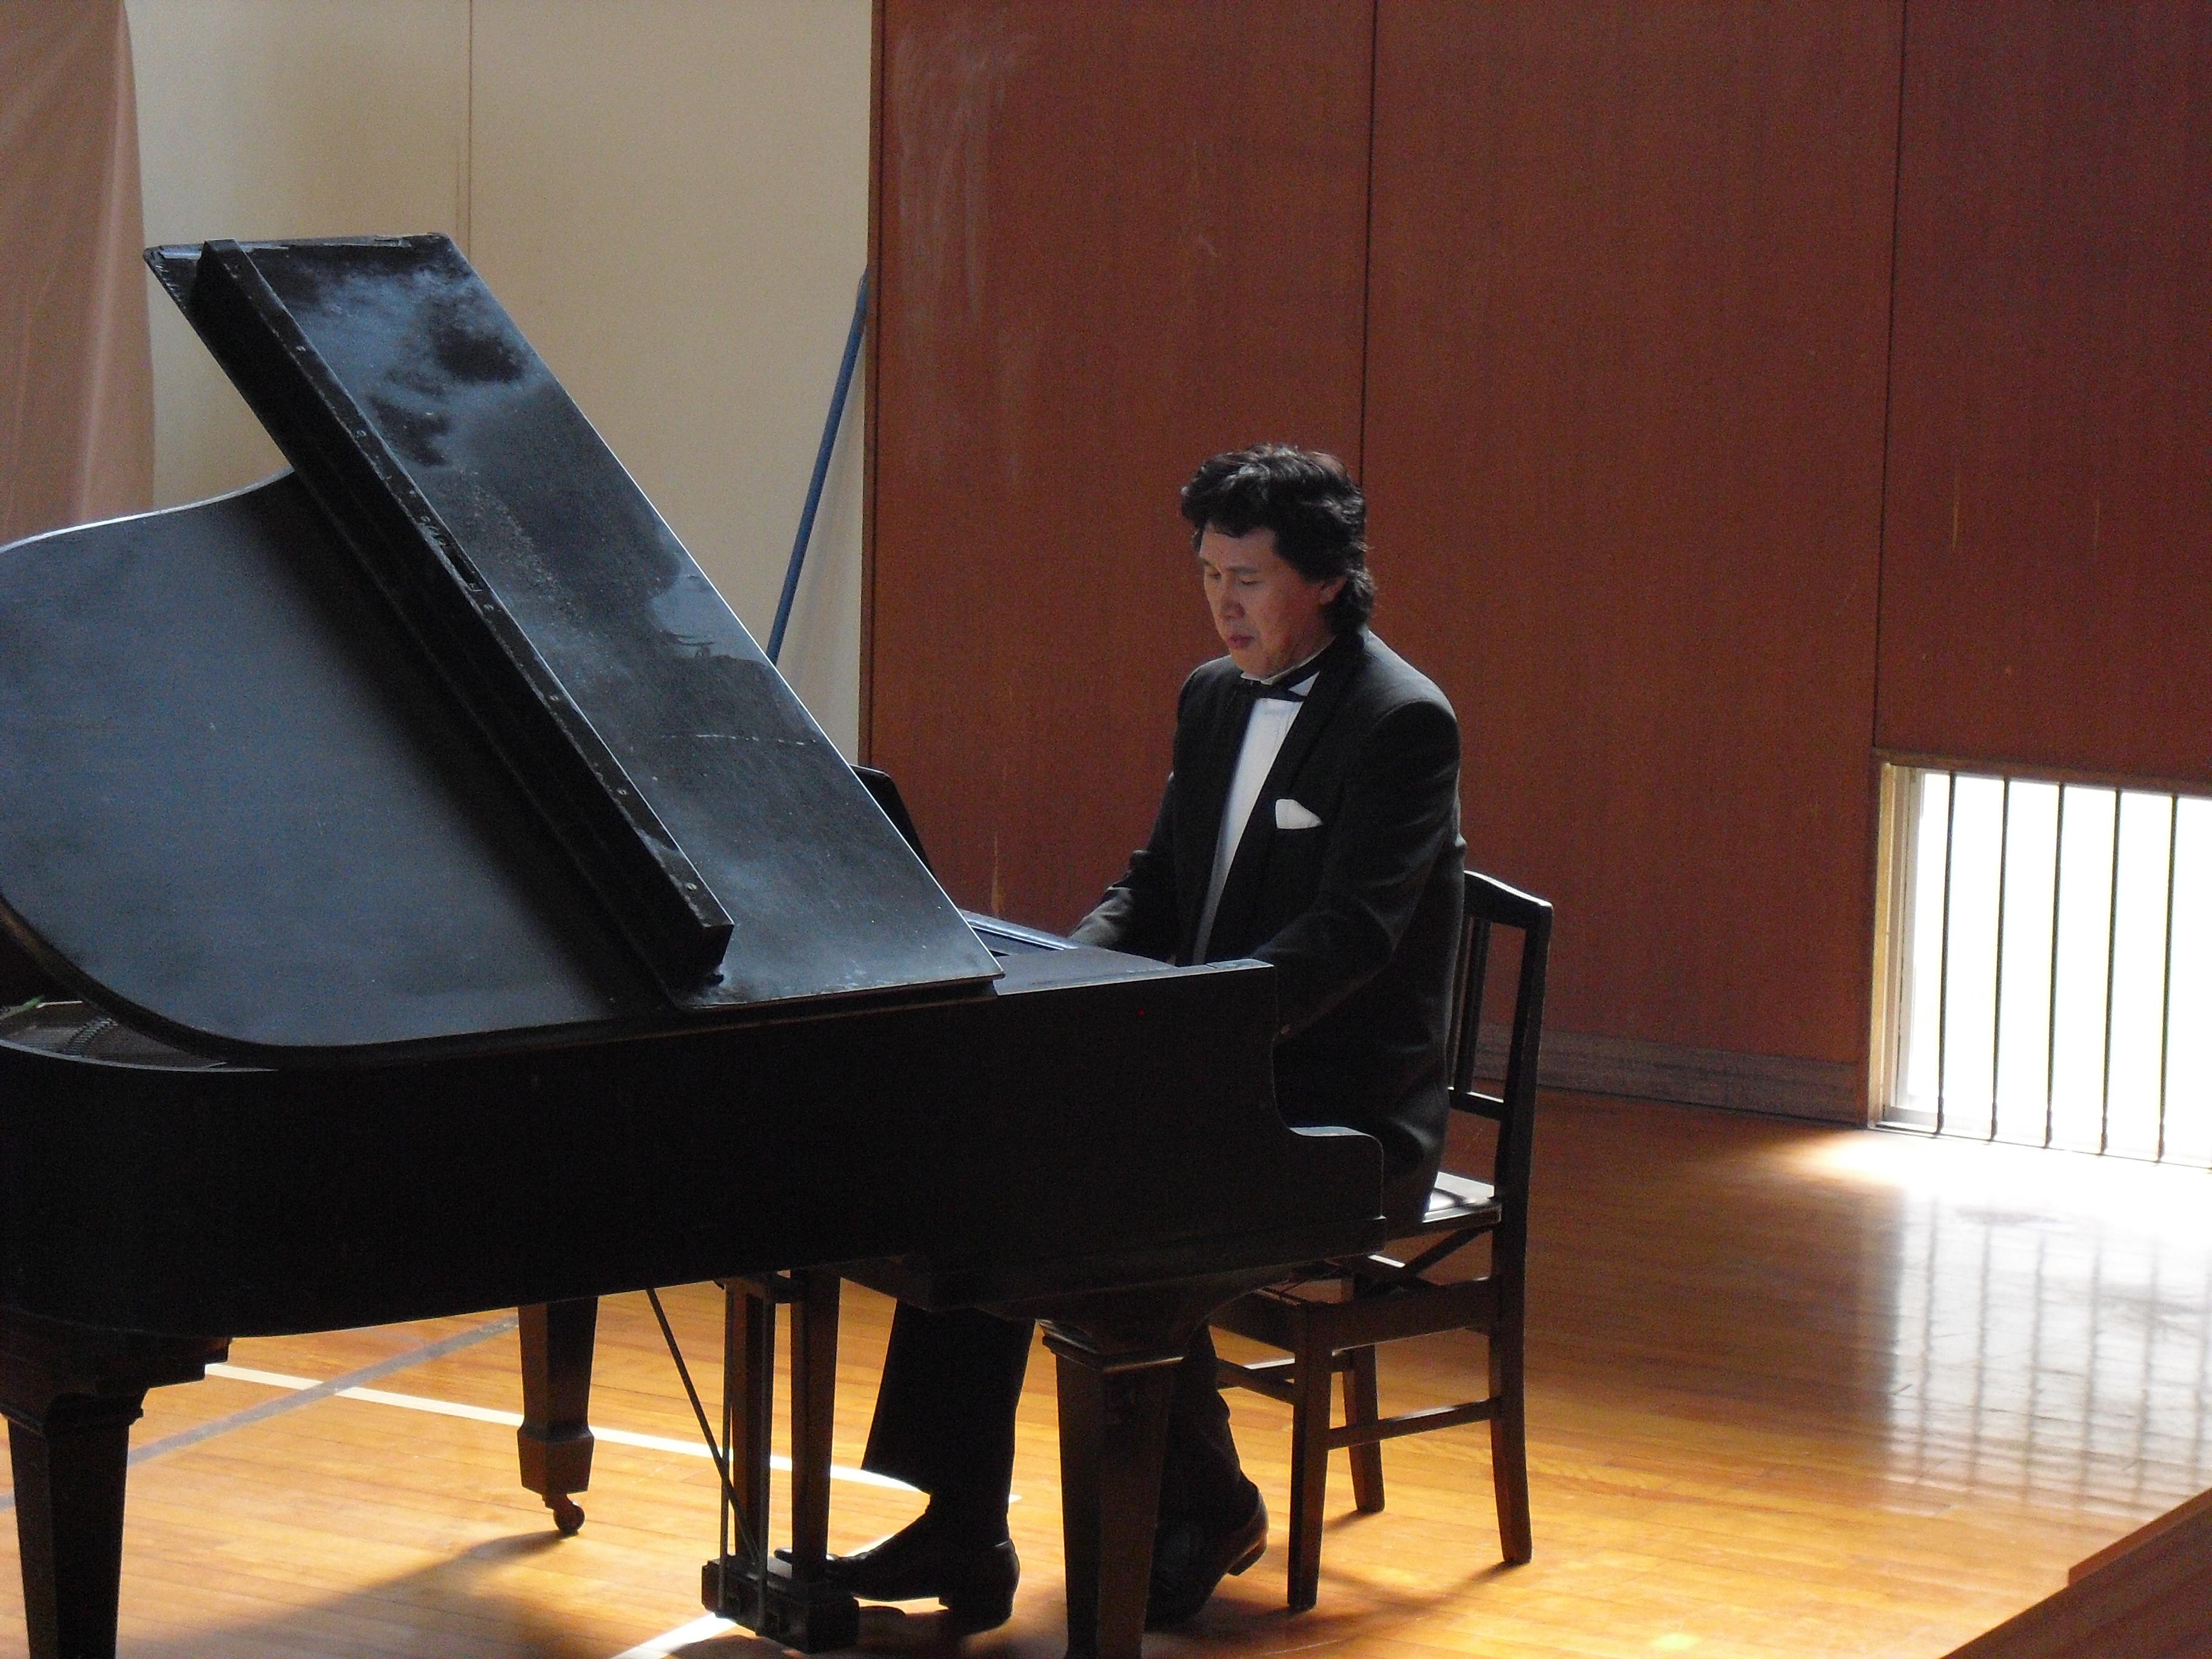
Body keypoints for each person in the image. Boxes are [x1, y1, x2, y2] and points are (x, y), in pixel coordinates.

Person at [825, 443, 1465, 1631]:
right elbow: (1158, 885)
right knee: (978, 1179)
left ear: (1327, 580)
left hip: (1333, 1104)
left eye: (1250, 579)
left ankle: (1205, 1502)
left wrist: (1190, 1030)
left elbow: (1352, 938)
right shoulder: (1212, 696)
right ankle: (962, 1526)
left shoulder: (1402, 721)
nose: (1224, 604)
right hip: (1199, 1070)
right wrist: (1062, 977)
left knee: (1087, 1212)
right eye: (1209, 575)